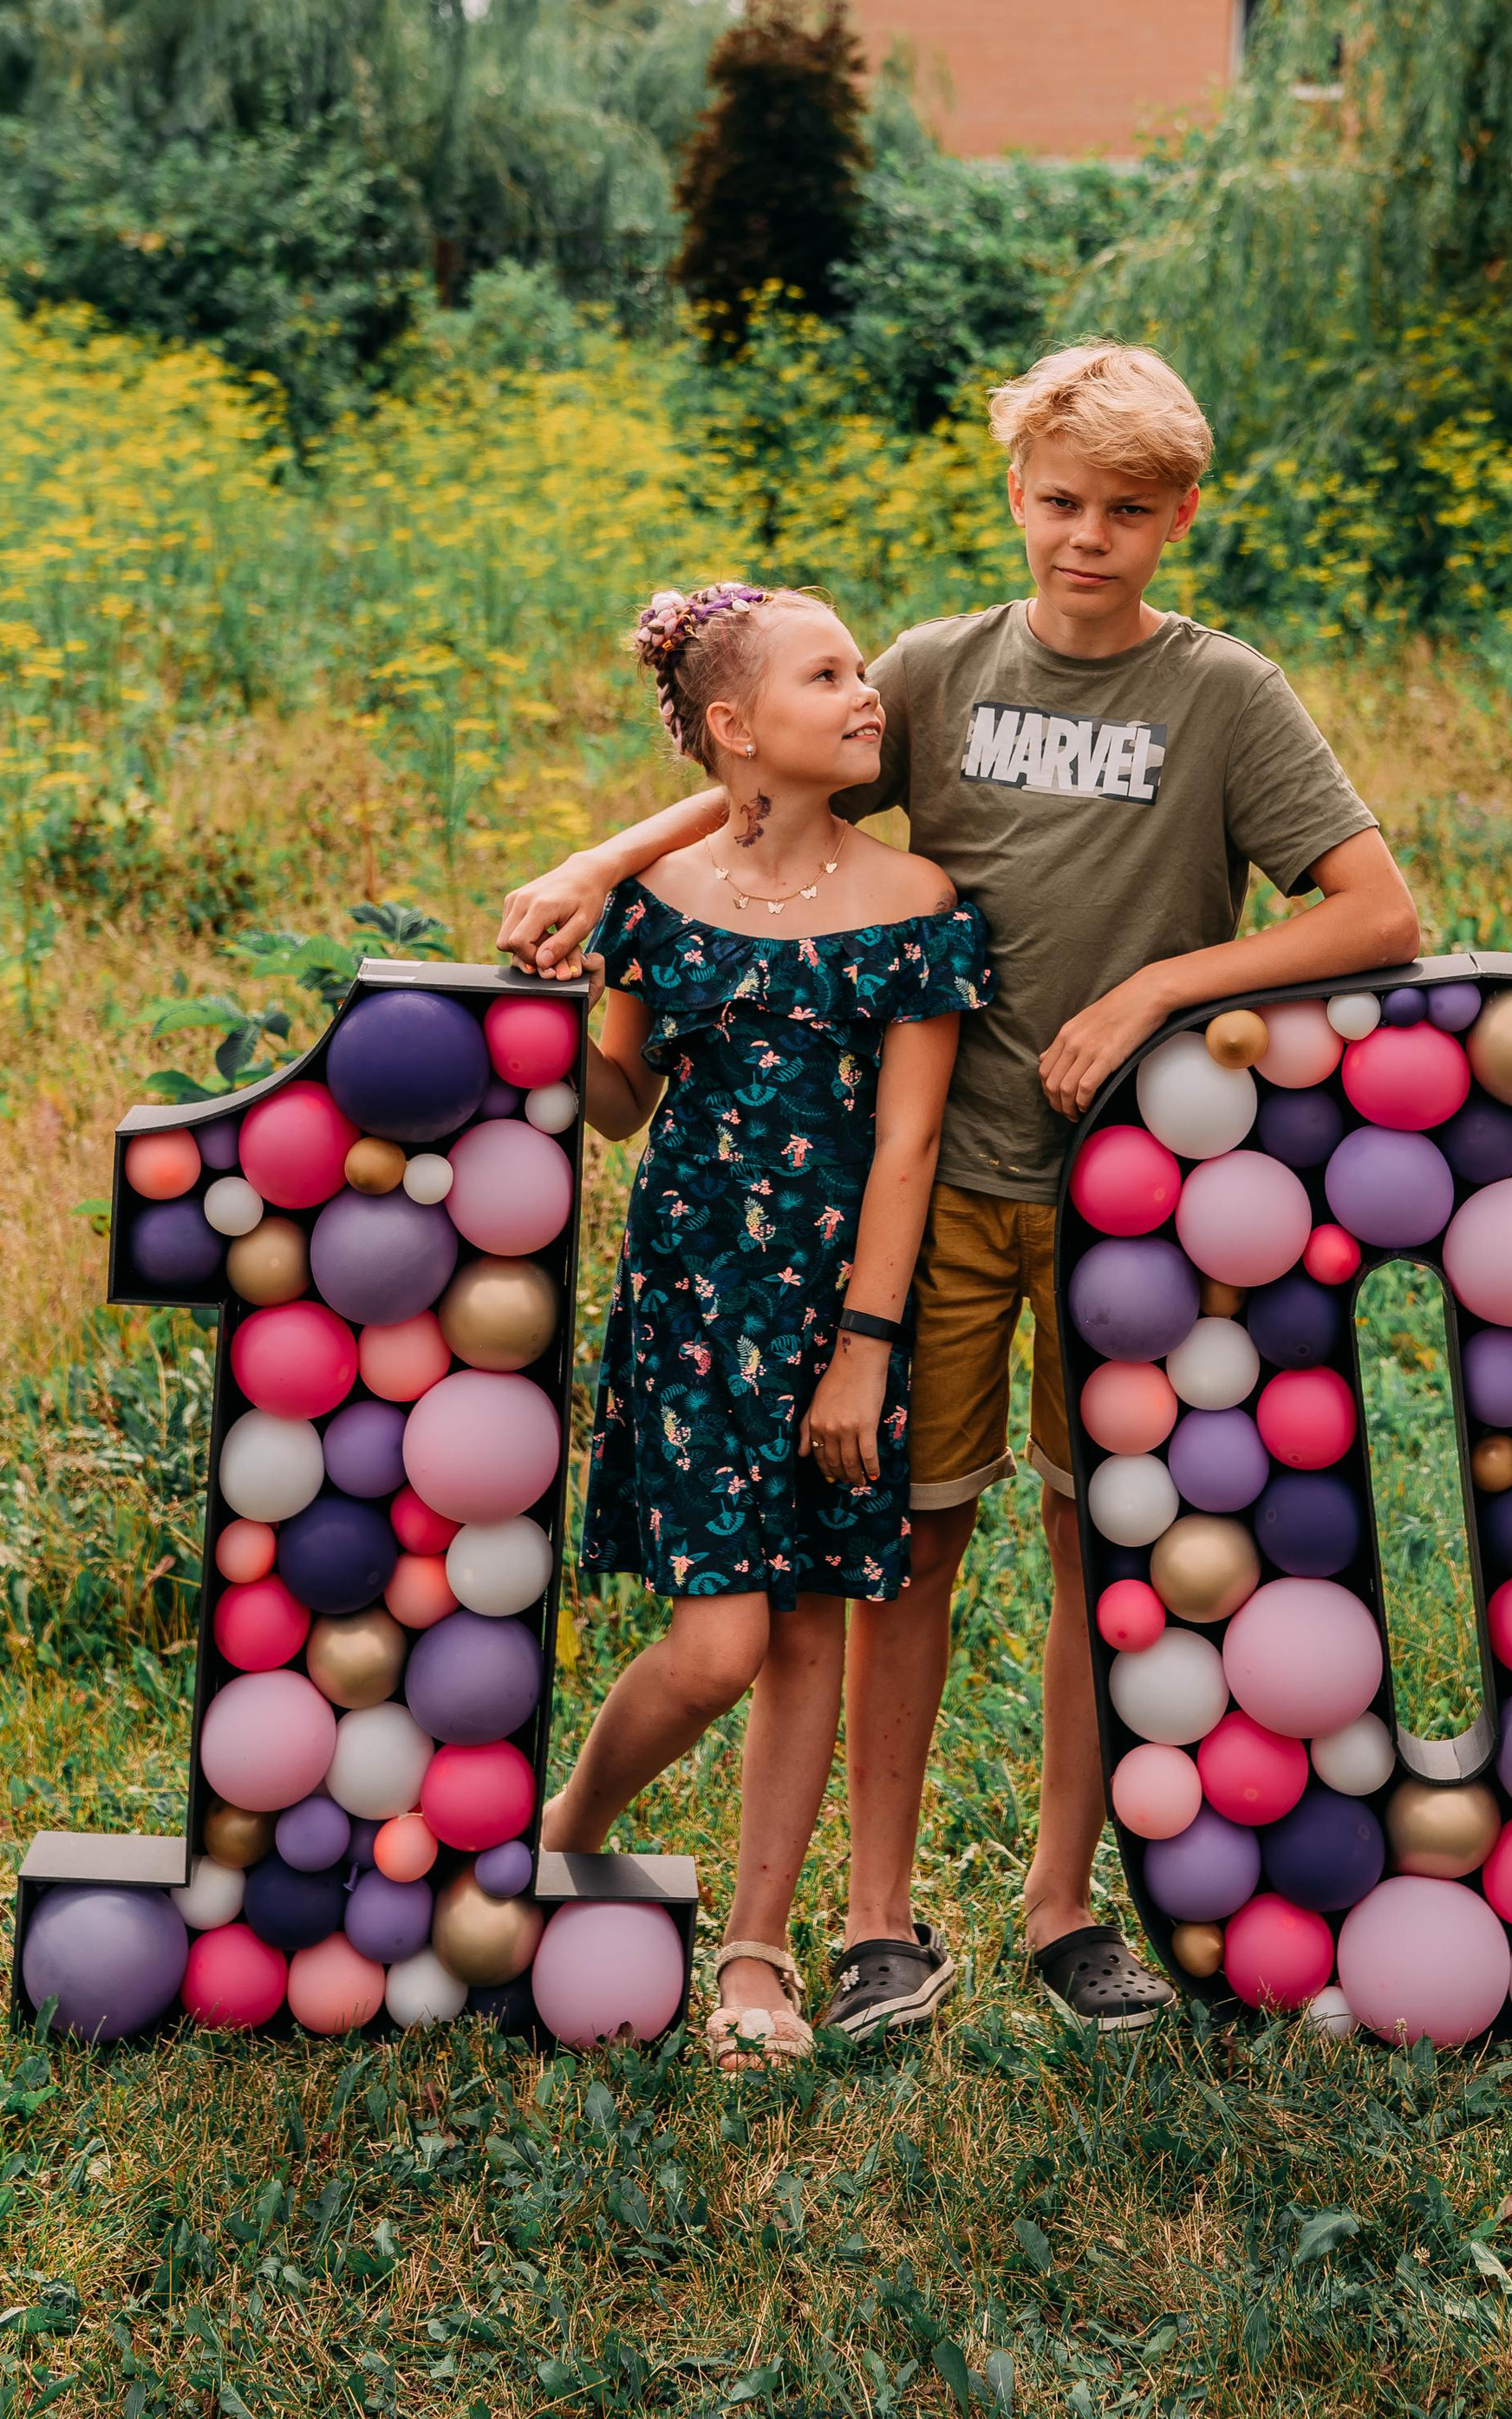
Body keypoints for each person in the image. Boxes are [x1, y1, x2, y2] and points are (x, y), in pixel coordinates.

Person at [502, 343, 1418, 2037]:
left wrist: (1160, 991)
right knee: (903, 1550)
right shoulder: (933, 668)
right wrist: (600, 859)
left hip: (1127, 1203)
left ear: (1177, 519)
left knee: (1096, 1549)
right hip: (928, 1200)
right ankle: (873, 1923)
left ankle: (1063, 1906)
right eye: (1059, 502)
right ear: (1015, 497)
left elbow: (1377, 916)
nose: (1086, 538)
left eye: (1125, 512)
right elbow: (759, 780)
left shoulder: (1222, 697)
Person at [541, 579, 990, 2067]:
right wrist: (543, 1012)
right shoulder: (660, 914)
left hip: (834, 1318)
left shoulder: (913, 910)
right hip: (690, 1311)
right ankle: (570, 1831)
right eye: (828, 675)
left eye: (864, 670)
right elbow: (618, 1105)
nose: (868, 695)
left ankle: (755, 1953)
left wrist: (866, 1346)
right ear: (736, 729)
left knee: (807, 1629)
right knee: (718, 1643)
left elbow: (911, 1149)